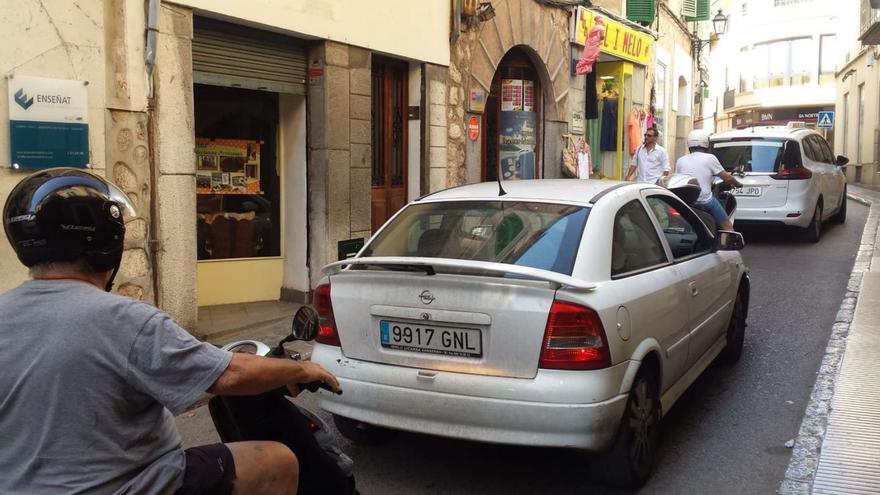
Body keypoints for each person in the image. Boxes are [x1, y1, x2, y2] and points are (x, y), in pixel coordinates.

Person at [0, 168, 340, 494]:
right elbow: (231, 374)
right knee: (275, 461)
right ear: (107, 244)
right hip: (124, 484)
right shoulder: (123, 319)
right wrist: (301, 368)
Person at [675, 129, 743, 231]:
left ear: (689, 144)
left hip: (685, 202)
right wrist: (738, 184)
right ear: (706, 143)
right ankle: (730, 243)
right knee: (727, 226)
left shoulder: (681, 160)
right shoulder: (710, 158)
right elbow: (727, 177)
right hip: (705, 201)